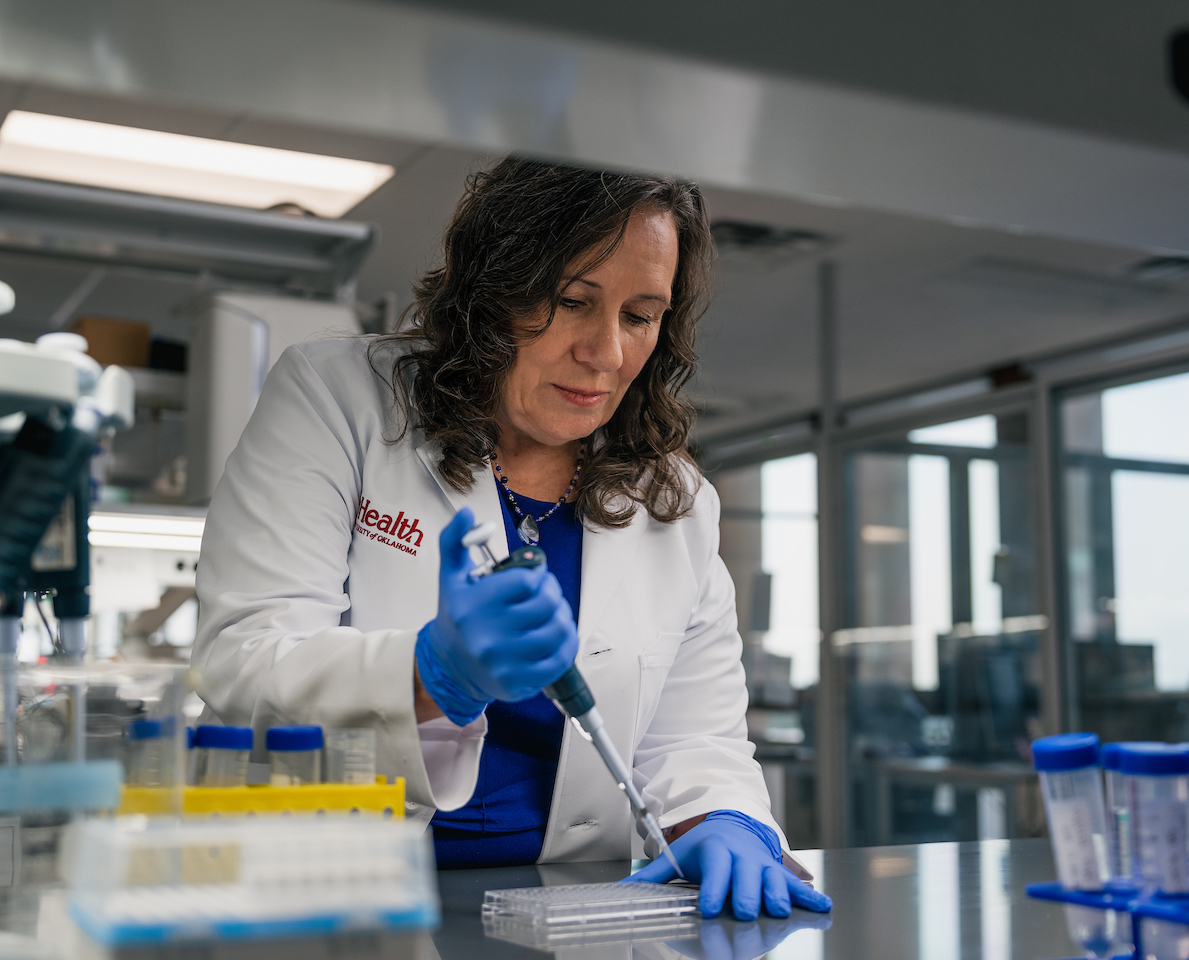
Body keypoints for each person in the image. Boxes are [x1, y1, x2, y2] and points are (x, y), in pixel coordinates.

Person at [192, 157, 832, 921]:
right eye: (572, 301)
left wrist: (723, 817)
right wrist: (430, 673)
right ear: (491, 291)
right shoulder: (338, 400)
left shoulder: (675, 499)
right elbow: (243, 661)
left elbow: (696, 739)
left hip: (563, 910)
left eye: (639, 316)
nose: (606, 352)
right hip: (332, 896)